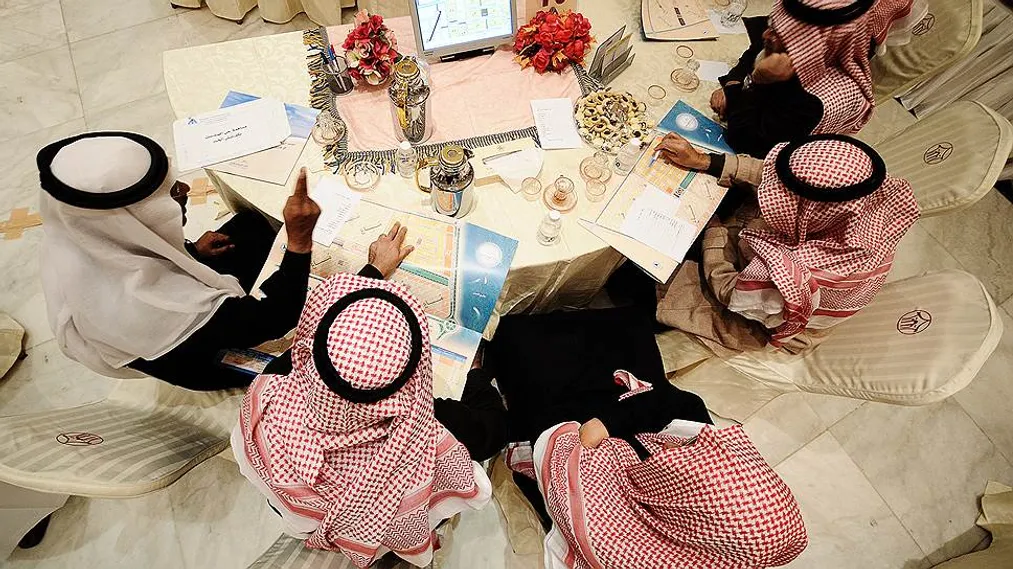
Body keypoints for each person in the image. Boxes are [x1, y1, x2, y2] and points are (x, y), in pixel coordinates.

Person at [36, 132, 413, 390]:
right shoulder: (160, 310)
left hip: (159, 333)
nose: (185, 189)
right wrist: (357, 265)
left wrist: (189, 252)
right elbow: (275, 318)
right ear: (130, 223)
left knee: (249, 226)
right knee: (335, 345)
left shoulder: (77, 235)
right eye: (170, 194)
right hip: (203, 359)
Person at [473, 307, 808, 568]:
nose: (704, 453)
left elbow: (561, 481)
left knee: (517, 345)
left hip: (564, 411)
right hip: (620, 387)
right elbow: (683, 405)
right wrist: (610, 421)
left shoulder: (617, 547)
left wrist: (595, 434)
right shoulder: (718, 466)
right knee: (627, 326)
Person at [233, 272, 508, 568]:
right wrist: (477, 373)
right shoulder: (431, 437)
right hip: (380, 536)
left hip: (294, 515)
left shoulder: (265, 397)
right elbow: (494, 429)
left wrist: (373, 272)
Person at [654, 133, 919, 355]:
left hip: (762, 314)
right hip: (775, 281)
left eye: (784, 195)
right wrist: (704, 160)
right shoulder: (863, 201)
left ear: (812, 211)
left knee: (653, 280)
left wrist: (713, 229)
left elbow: (728, 290)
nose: (773, 191)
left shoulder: (794, 274)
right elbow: (775, 174)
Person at [711, 0, 894, 158]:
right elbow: (756, 50)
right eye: (773, 26)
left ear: (813, 46)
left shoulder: (817, 100)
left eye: (779, 34)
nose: (766, 34)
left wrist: (752, 83)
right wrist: (734, 82)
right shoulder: (788, 39)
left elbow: (744, 142)